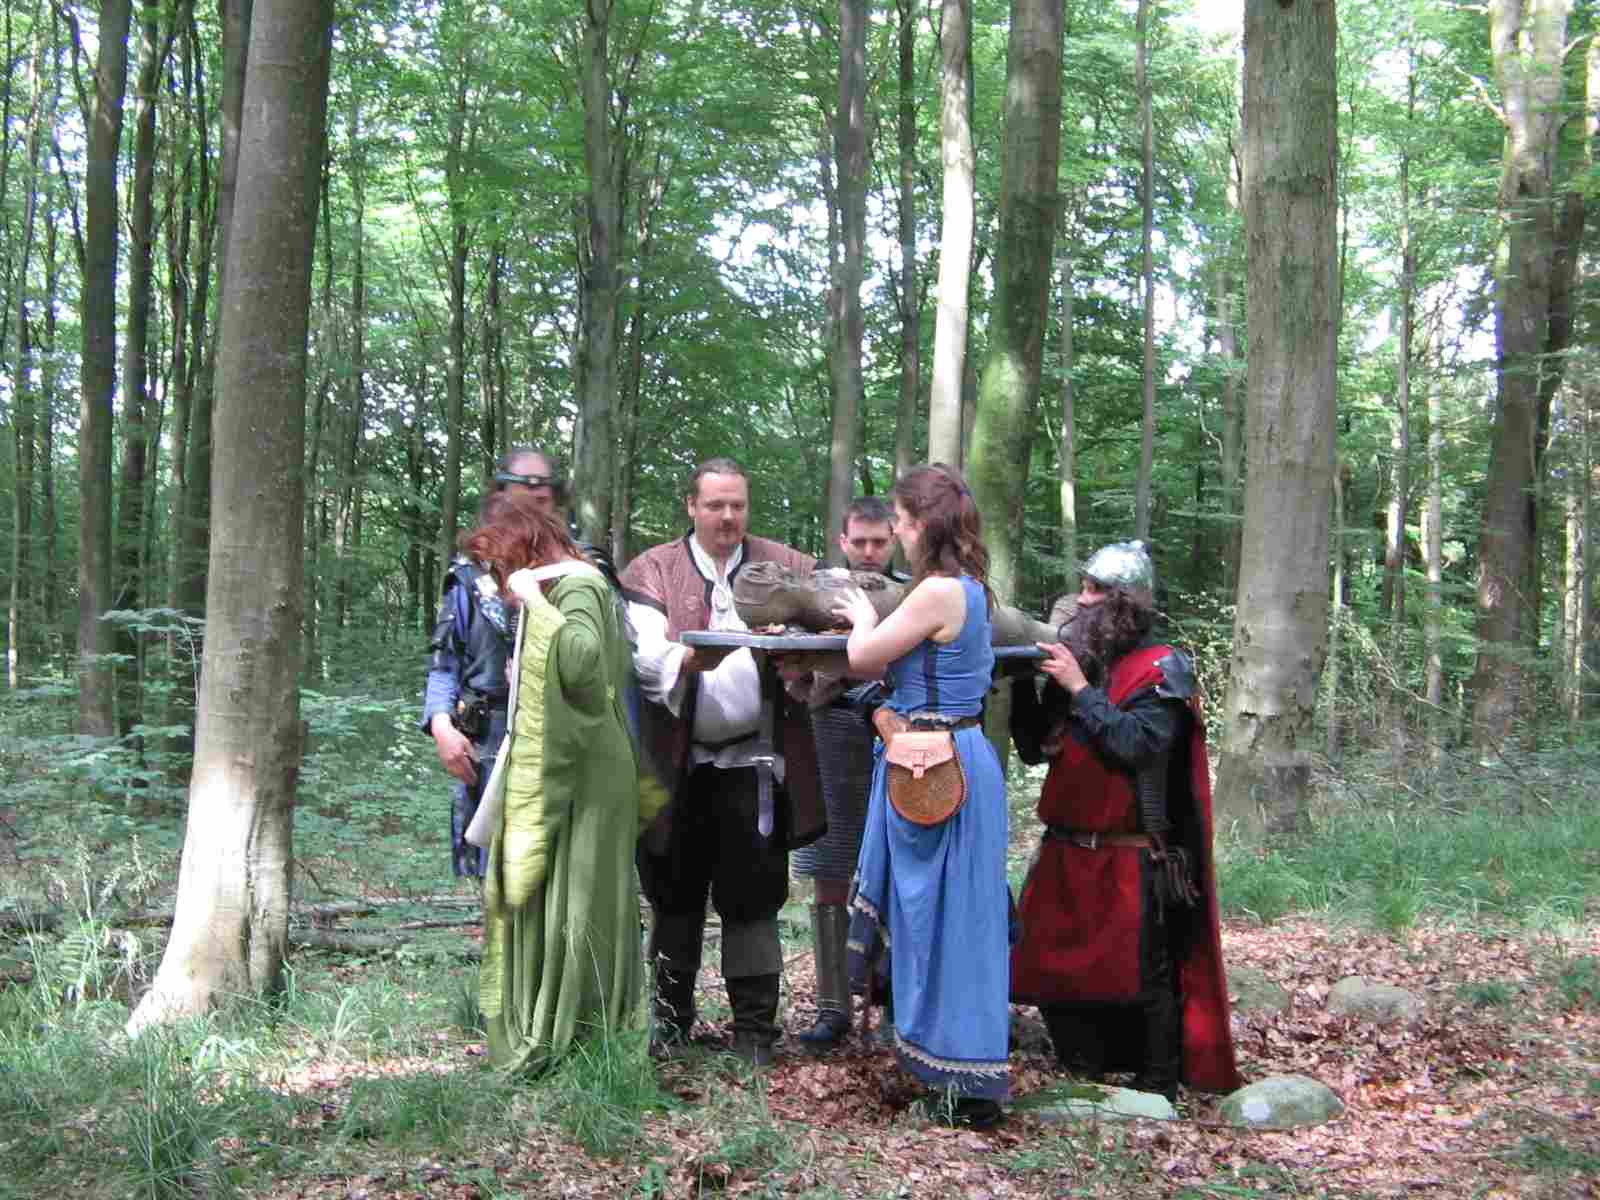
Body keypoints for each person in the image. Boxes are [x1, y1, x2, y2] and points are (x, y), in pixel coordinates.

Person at [1009, 540, 1240, 1101]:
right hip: (1066, 848)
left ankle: (1158, 1083)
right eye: (1083, 586)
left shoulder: (1163, 667)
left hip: (1130, 851)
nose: (1082, 599)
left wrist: (1079, 689)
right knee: (1053, 963)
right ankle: (1085, 1062)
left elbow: (1137, 745)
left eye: (1096, 590)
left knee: (1144, 973)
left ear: (1126, 602)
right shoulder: (1083, 661)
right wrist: (1019, 681)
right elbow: (1036, 748)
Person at [621, 457, 826, 1066]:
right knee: (673, 896)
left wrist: (802, 655)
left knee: (754, 900)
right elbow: (645, 656)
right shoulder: (653, 569)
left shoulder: (787, 566)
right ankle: (670, 1025)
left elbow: (834, 639)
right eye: (715, 505)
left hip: (754, 767)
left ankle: (755, 1035)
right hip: (674, 769)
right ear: (692, 507)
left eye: (737, 504)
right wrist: (689, 661)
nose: (728, 516)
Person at [832, 464, 1010, 1128]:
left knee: (944, 920)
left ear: (925, 526)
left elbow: (863, 658)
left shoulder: (936, 591)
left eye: (903, 524)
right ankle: (950, 1071)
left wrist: (859, 616)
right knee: (957, 915)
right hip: (959, 757)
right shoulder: (974, 588)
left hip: (934, 769)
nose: (898, 535)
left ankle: (965, 1084)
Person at [460, 490, 642, 1071]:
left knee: (578, 901)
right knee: (551, 898)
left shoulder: (577, 586)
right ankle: (560, 1023)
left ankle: (579, 1036)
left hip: (587, 769)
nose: (498, 577)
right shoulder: (567, 586)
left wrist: (535, 603)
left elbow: (582, 663)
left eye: (500, 561)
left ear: (524, 547)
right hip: (574, 759)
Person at [422, 447, 571, 878]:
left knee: (559, 881)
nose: (539, 492)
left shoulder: (581, 567)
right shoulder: (471, 574)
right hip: (490, 744)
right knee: (499, 883)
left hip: (566, 739)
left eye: (547, 484)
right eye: (528, 483)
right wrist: (442, 727)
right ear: (502, 492)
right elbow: (444, 663)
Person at [793, 497, 906, 1051]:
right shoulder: (816, 594)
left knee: (903, 872)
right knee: (832, 869)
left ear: (895, 539)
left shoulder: (913, 594)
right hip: (833, 728)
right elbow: (797, 667)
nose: (868, 552)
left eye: (878, 542)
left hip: (898, 736)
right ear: (842, 542)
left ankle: (892, 1002)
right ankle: (833, 1005)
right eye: (858, 542)